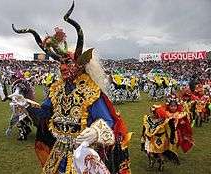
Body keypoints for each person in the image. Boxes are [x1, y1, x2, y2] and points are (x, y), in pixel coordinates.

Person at [11, 2, 131, 174]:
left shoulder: (90, 90)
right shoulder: (57, 89)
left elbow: (108, 121)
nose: (63, 67)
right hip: (58, 151)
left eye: (68, 62)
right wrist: (27, 104)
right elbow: (44, 112)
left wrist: (95, 132)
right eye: (60, 63)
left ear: (81, 64)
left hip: (82, 153)